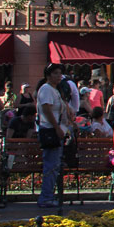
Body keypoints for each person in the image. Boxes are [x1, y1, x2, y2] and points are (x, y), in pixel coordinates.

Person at [37, 63, 72, 208]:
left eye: (60, 73)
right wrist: (57, 127)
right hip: (50, 130)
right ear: (49, 75)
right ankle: (46, 197)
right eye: (56, 73)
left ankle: (49, 195)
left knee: (55, 165)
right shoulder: (46, 89)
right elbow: (46, 109)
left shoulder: (55, 90)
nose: (59, 76)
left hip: (58, 130)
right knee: (51, 166)